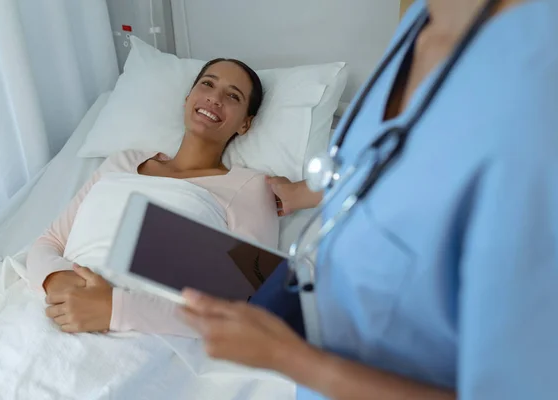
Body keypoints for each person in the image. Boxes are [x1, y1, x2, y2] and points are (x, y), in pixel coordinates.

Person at [181, 0, 558, 399]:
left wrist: (288, 357)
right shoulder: (421, 18)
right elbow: (397, 169)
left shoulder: (539, 98)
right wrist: (303, 193)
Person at [27, 58, 279, 336]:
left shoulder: (248, 187)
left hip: (145, 332)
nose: (214, 98)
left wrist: (116, 309)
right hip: (57, 304)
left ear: (245, 124)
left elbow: (247, 307)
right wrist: (56, 279)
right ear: (187, 99)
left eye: (233, 96)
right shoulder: (121, 162)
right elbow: (50, 242)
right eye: (207, 83)